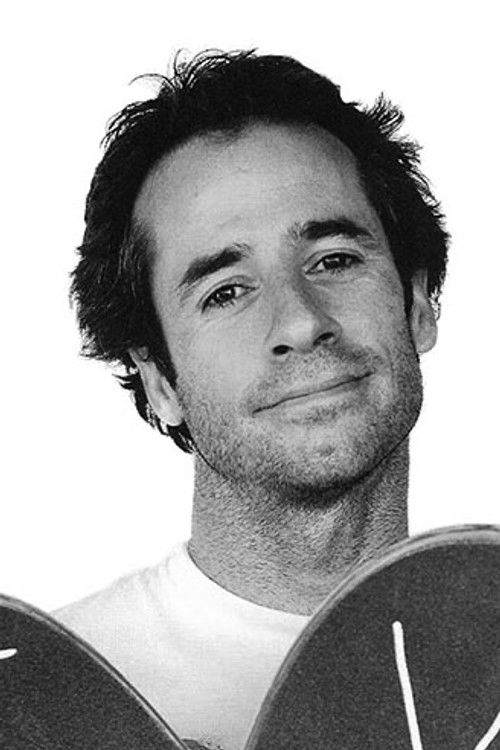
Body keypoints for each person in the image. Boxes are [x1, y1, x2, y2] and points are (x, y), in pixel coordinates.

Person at [55, 49, 448, 750]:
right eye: (226, 292)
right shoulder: (42, 704)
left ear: (416, 302)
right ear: (160, 381)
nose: (299, 321)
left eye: (334, 259)